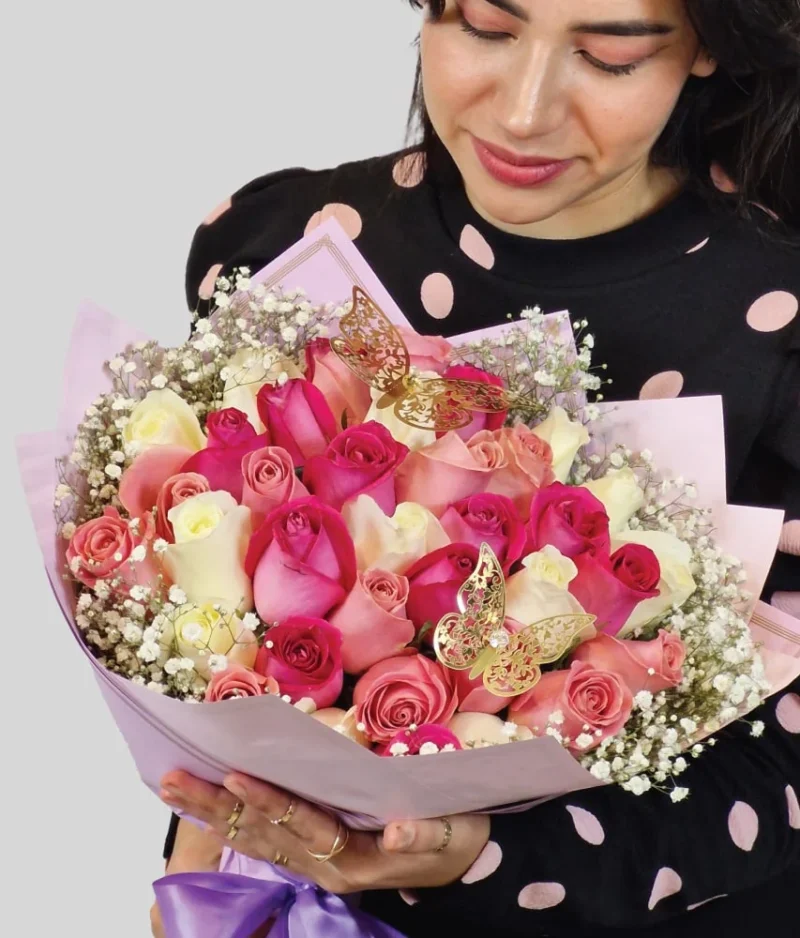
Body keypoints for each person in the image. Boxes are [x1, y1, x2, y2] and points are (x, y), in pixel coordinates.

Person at [152, 2, 800, 936]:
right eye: (487, 28)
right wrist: (205, 874)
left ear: (708, 46)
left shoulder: (776, 322)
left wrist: (480, 859)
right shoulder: (286, 243)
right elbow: (196, 633)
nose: (525, 111)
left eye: (611, 55)